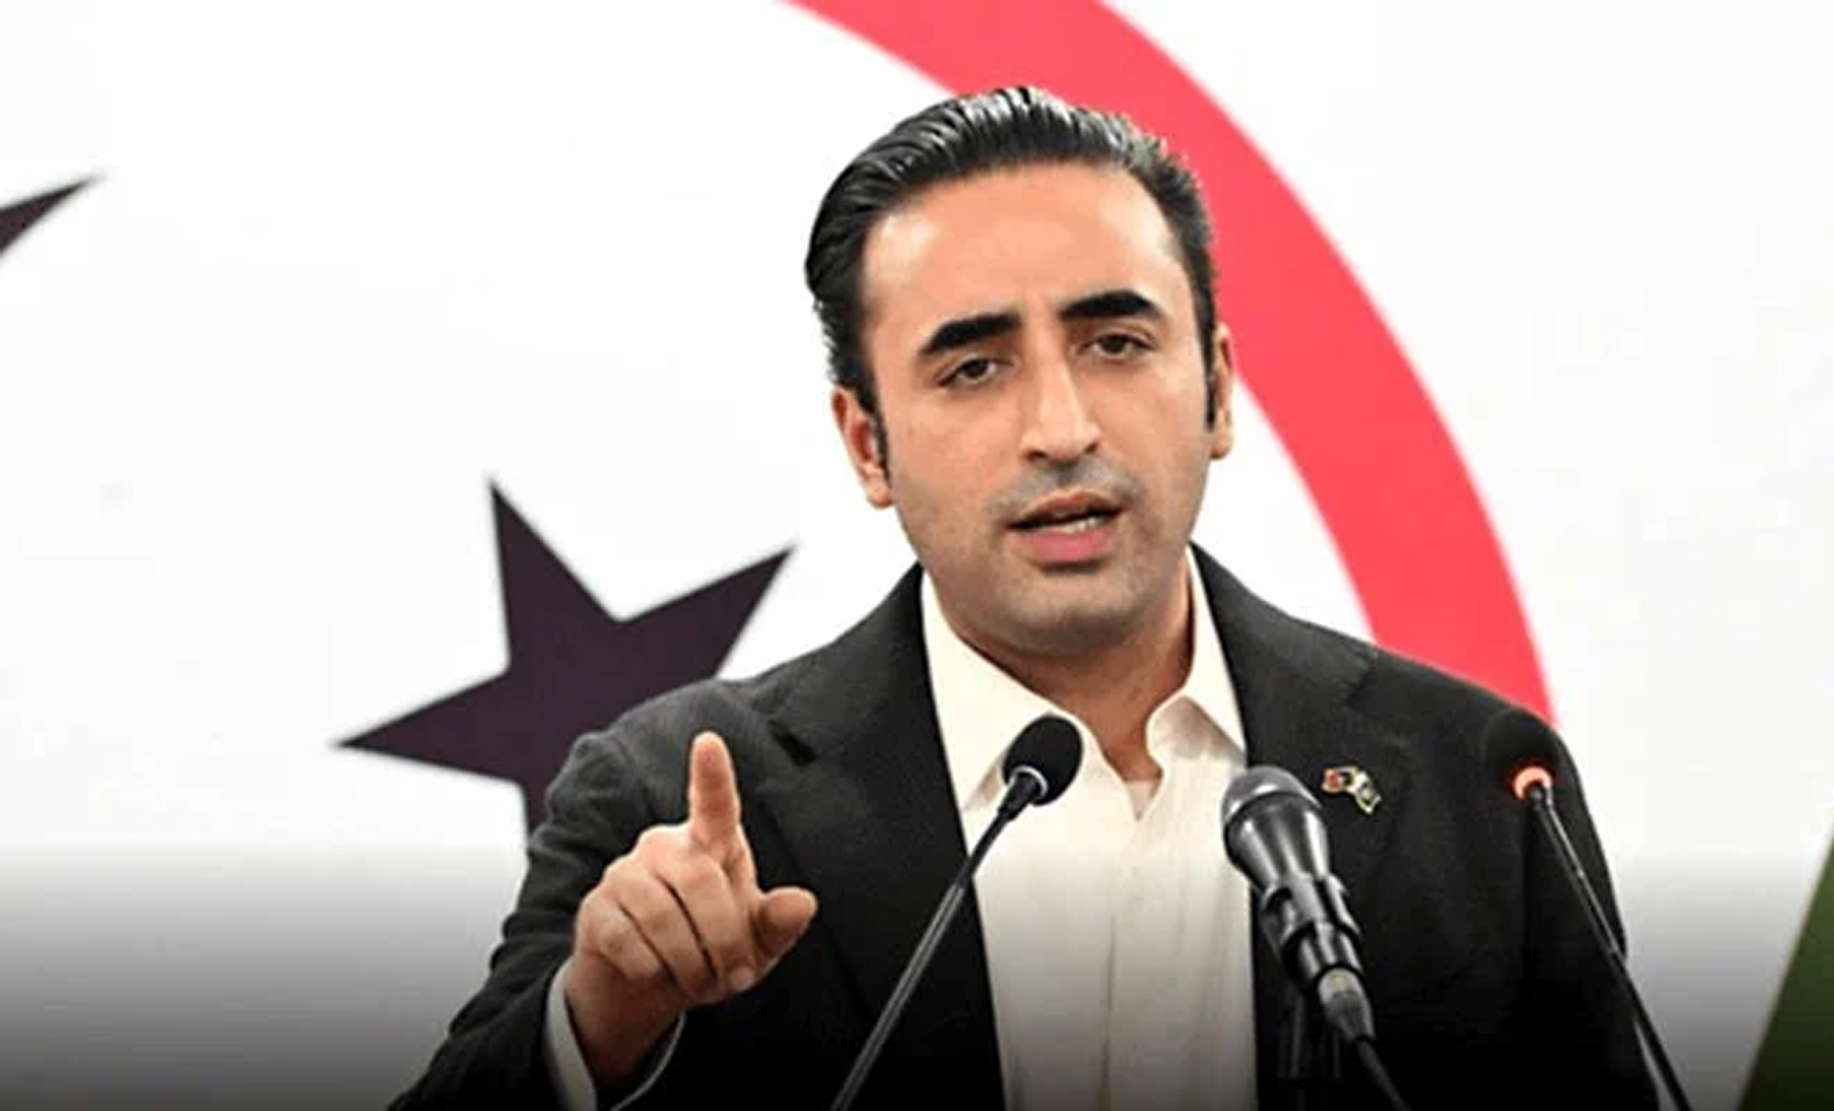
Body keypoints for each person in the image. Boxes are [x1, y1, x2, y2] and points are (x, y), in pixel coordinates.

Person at [394, 87, 1654, 1109]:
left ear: (1218, 391)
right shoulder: (673, 796)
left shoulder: (1481, 785)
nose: (1060, 426)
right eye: (974, 367)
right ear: (869, 445)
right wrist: (601, 1024)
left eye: (1117, 344)